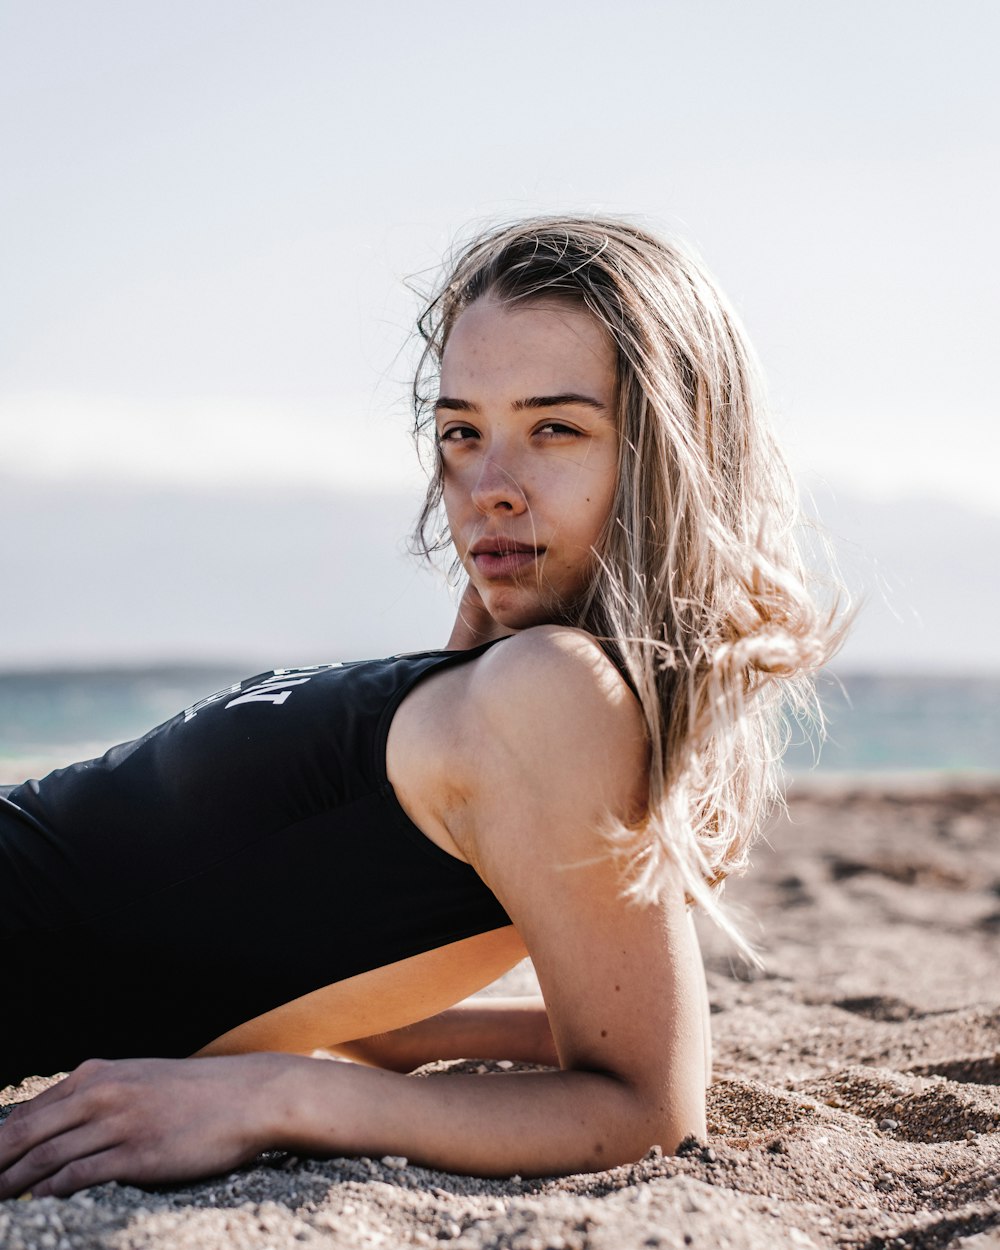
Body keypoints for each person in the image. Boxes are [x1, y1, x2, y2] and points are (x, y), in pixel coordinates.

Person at [0, 215, 841, 1199]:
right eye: (460, 431)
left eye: (554, 428)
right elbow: (336, 998)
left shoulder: (556, 690)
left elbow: (643, 1113)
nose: (487, 486)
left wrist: (270, 1097)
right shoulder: (522, 678)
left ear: (676, 448)